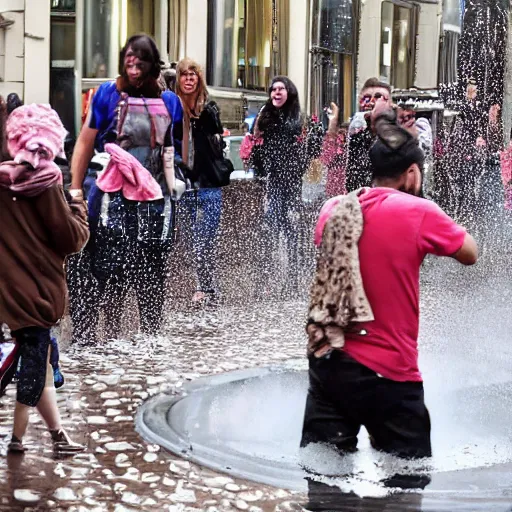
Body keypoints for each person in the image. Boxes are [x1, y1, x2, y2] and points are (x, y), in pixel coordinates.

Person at [301, 104, 478, 461]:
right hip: (390, 375)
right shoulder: (420, 213)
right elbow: (470, 252)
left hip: (329, 365)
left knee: (323, 476)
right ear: (412, 174)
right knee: (406, 482)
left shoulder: (335, 208)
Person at [68, 34, 183, 343]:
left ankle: (151, 334)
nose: (133, 70)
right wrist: (76, 191)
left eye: (140, 63)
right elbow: (84, 142)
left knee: (152, 269)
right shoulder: (105, 94)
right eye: (128, 63)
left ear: (152, 66)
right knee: (102, 267)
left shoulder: (170, 102)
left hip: (155, 201)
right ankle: (95, 335)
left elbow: (173, 150)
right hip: (109, 196)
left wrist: (174, 184)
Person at [0, 104, 89, 453]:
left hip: (8, 291)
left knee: (42, 366)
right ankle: (17, 441)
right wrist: (78, 205)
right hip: (34, 294)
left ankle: (56, 435)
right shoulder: (47, 181)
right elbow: (71, 238)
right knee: (33, 370)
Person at [248, 76, 323, 295]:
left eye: (281, 89)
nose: (276, 93)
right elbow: (256, 147)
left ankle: (292, 279)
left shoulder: (298, 118)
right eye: (273, 89)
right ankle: (265, 280)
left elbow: (312, 150)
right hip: (271, 183)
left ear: (289, 92)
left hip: (291, 183)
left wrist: (304, 158)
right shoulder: (264, 115)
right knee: (269, 231)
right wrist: (259, 171)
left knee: (290, 230)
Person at [175, 58, 228, 305]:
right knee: (190, 242)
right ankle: (204, 285)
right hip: (185, 186)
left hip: (209, 186)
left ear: (198, 79)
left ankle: (205, 287)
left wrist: (202, 111)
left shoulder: (209, 107)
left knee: (204, 241)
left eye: (192, 75)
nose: (188, 79)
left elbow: (216, 130)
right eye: (184, 75)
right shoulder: (173, 107)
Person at [345, 78, 392, 192]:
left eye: (379, 98)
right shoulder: (354, 137)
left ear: (391, 104)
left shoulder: (400, 138)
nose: (371, 103)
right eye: (366, 98)